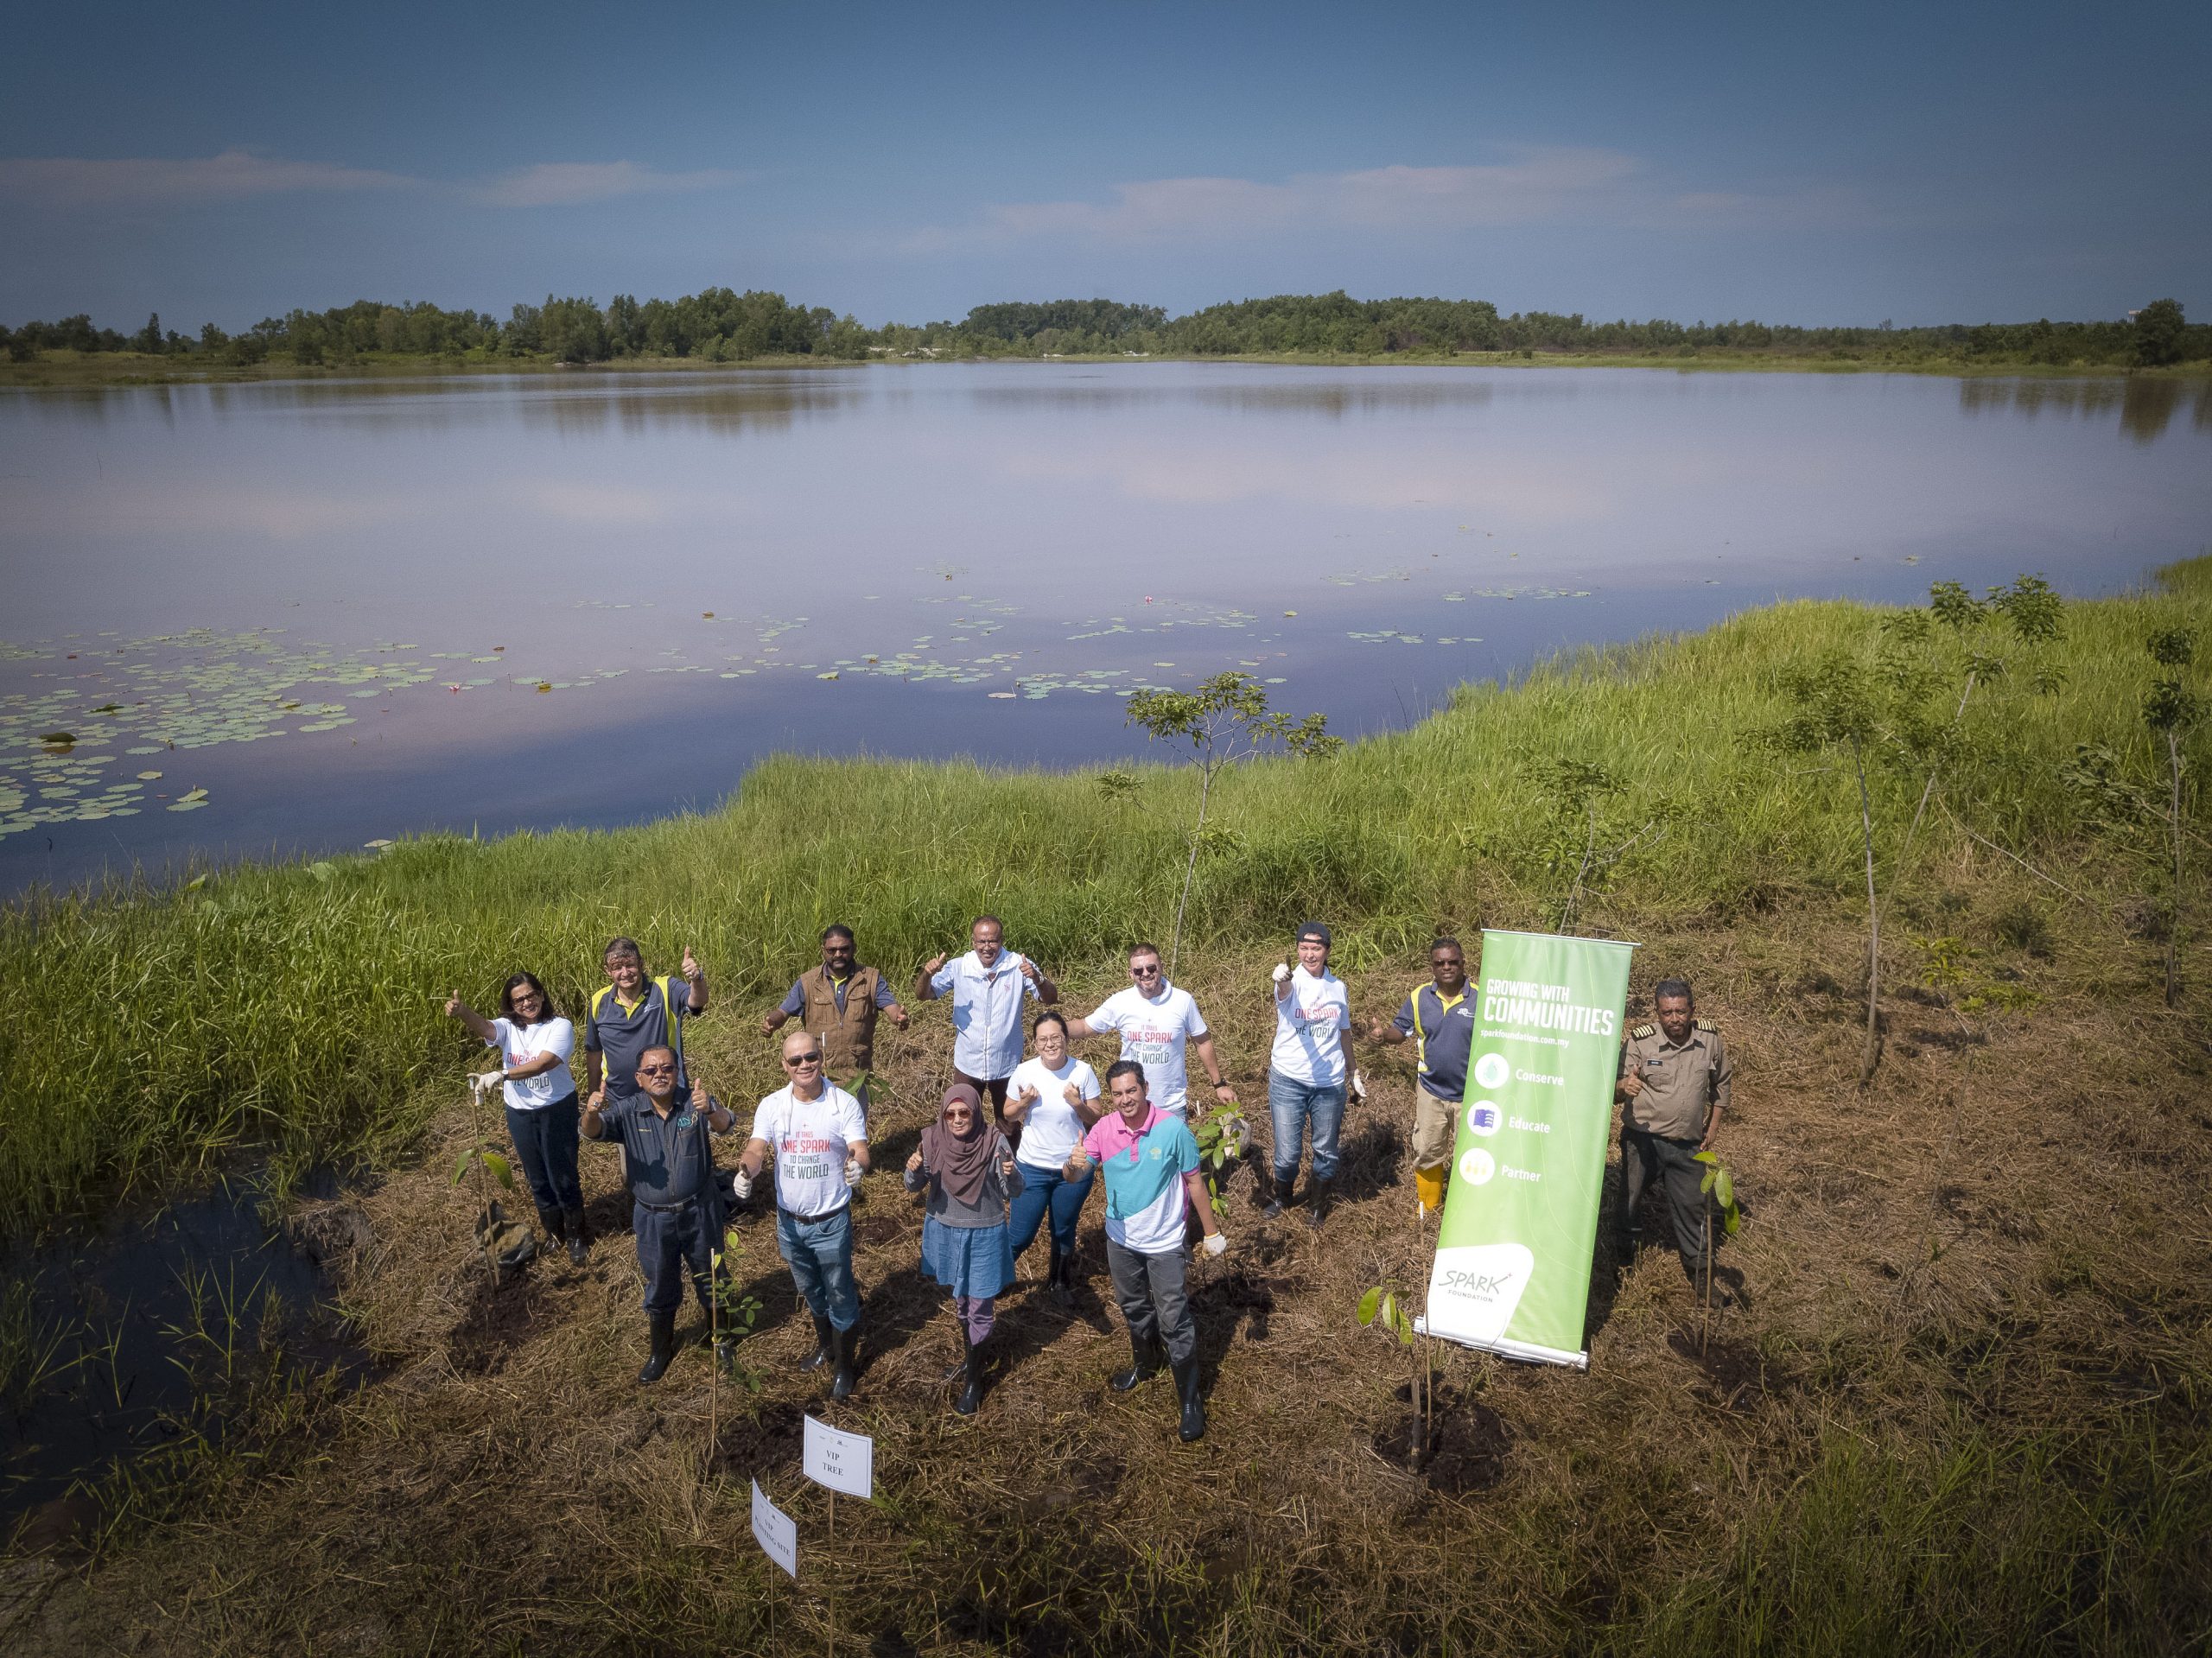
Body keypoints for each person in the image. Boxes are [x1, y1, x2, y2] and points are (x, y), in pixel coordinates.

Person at [1065, 1060, 1226, 1442]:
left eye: (1131, 1091)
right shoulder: (1104, 1128)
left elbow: (1195, 1183)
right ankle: (1146, 1363)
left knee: (1173, 1317)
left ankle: (1189, 1400)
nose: (1125, 1100)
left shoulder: (1173, 1129)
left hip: (1166, 1242)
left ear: (1145, 1088)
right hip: (1121, 1240)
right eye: (1118, 1094)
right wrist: (1069, 1168)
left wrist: (1211, 1233)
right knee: (1133, 1306)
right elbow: (1079, 1170)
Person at [582, 1045, 736, 1384]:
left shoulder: (692, 1103)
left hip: (700, 1210)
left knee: (712, 1275)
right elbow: (592, 1132)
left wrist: (709, 1109)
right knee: (660, 1281)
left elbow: (726, 1126)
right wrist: (591, 1112)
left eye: (666, 1068)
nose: (659, 1075)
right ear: (639, 1078)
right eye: (650, 1071)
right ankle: (660, 1351)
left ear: (677, 1072)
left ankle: (722, 1340)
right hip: (653, 1218)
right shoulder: (628, 1111)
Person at [735, 1032, 871, 1400]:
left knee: (840, 1292)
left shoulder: (842, 1103)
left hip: (830, 1221)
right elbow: (756, 1148)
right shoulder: (773, 1105)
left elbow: (860, 1149)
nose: (804, 1065)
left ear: (821, 1058)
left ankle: (845, 1368)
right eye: (795, 1061)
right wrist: (745, 1171)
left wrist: (856, 1166)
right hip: (790, 1223)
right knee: (811, 1290)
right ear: (784, 1065)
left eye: (810, 1057)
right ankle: (826, 1347)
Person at [445, 973, 588, 1264]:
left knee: (562, 1175)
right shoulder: (509, 1027)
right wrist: (462, 1013)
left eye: (531, 995)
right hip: (520, 1113)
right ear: (511, 1005)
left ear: (541, 994)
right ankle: (554, 1234)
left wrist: (503, 1074)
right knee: (536, 1177)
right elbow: (485, 1028)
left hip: (556, 1109)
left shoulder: (559, 1026)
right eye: (519, 1000)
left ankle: (577, 1235)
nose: (527, 1002)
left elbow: (545, 1063)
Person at [905, 1083, 1024, 1415]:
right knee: (961, 1302)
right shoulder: (931, 1139)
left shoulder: (993, 1141)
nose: (957, 1119)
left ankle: (974, 1382)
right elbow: (914, 1185)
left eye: (964, 1112)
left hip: (984, 1233)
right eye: (951, 1114)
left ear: (976, 1111)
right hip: (945, 1230)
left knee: (980, 1306)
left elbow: (1011, 1190)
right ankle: (969, 1361)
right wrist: (912, 1170)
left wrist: (1012, 1176)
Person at [1614, 978, 1732, 1286]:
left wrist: (1714, 1125)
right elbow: (1613, 1089)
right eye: (1667, 1013)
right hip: (1643, 1140)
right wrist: (1625, 1086)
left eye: (1680, 1012)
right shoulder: (1641, 1042)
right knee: (1629, 1200)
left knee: (1694, 1209)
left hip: (1688, 1143)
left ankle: (1701, 1278)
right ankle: (1621, 1261)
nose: (1674, 1019)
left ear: (1692, 1010)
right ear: (1657, 1012)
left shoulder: (1710, 1040)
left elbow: (1722, 1084)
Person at [917, 915, 1058, 1141]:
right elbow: (923, 994)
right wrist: (927, 973)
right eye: (981, 942)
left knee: (1009, 1124)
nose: (986, 947)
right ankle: (969, 1168)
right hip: (968, 1063)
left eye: (992, 941)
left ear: (1002, 940)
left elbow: (1050, 999)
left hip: (1007, 1064)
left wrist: (1039, 979)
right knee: (962, 1120)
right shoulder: (960, 966)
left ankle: (1008, 1170)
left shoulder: (1018, 965)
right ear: (973, 942)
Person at [1363, 937, 1474, 1218]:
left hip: (1472, 1095)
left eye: (1453, 962)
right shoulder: (1419, 997)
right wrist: (1383, 1036)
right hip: (1431, 1092)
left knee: (1472, 1156)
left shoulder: (1482, 998)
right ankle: (1429, 1208)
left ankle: (1468, 1214)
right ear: (1432, 967)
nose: (1447, 967)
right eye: (1440, 963)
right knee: (1427, 1151)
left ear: (1463, 962)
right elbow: (1401, 1030)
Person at [1064, 942, 1236, 1121]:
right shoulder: (1120, 1002)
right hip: (1131, 1104)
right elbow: (1085, 1026)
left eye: (1151, 968)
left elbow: (1202, 1041)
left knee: (1174, 1150)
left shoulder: (1183, 1001)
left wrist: (1219, 1084)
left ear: (1161, 967)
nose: (1145, 974)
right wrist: (1055, 1027)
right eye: (1138, 970)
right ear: (1130, 974)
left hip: (1171, 1106)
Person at [1004, 1010, 1103, 1304]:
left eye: (1056, 1038)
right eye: (1043, 1039)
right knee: (1020, 1234)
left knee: (1063, 1228)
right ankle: (994, 1277)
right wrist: (1024, 1102)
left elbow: (1096, 1117)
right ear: (1035, 1044)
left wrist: (1077, 1103)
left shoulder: (1082, 1071)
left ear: (1066, 1039)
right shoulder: (1025, 1071)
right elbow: (1008, 1114)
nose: (1050, 1044)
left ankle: (1059, 1282)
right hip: (1031, 1167)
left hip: (1071, 1168)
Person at [762, 924, 909, 1117]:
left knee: (853, 1135)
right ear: (823, 951)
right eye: (832, 950)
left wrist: (899, 1017)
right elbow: (783, 1012)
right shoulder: (808, 982)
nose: (838, 954)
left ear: (853, 948)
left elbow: (891, 1007)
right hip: (818, 1075)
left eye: (844, 949)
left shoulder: (871, 979)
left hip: (856, 1076)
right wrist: (771, 1022)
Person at [1262, 921, 1352, 1228]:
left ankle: (1317, 1204)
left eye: (1316, 948)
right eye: (1304, 948)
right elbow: (1284, 991)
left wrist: (1353, 1071)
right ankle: (1283, 1196)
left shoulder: (1338, 988)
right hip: (1288, 1080)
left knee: (1325, 1150)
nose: (1310, 954)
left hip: (1329, 1084)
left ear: (1327, 950)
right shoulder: (1290, 981)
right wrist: (1281, 980)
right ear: (1297, 949)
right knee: (1287, 1153)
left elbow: (1344, 1032)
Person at [582, 937, 708, 1106]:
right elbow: (594, 1051)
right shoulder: (598, 1001)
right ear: (608, 971)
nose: (625, 972)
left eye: (630, 965)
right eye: (617, 967)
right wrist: (594, 1092)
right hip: (619, 1102)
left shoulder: (665, 988)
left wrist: (696, 978)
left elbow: (697, 1002)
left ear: (641, 964)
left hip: (667, 1098)